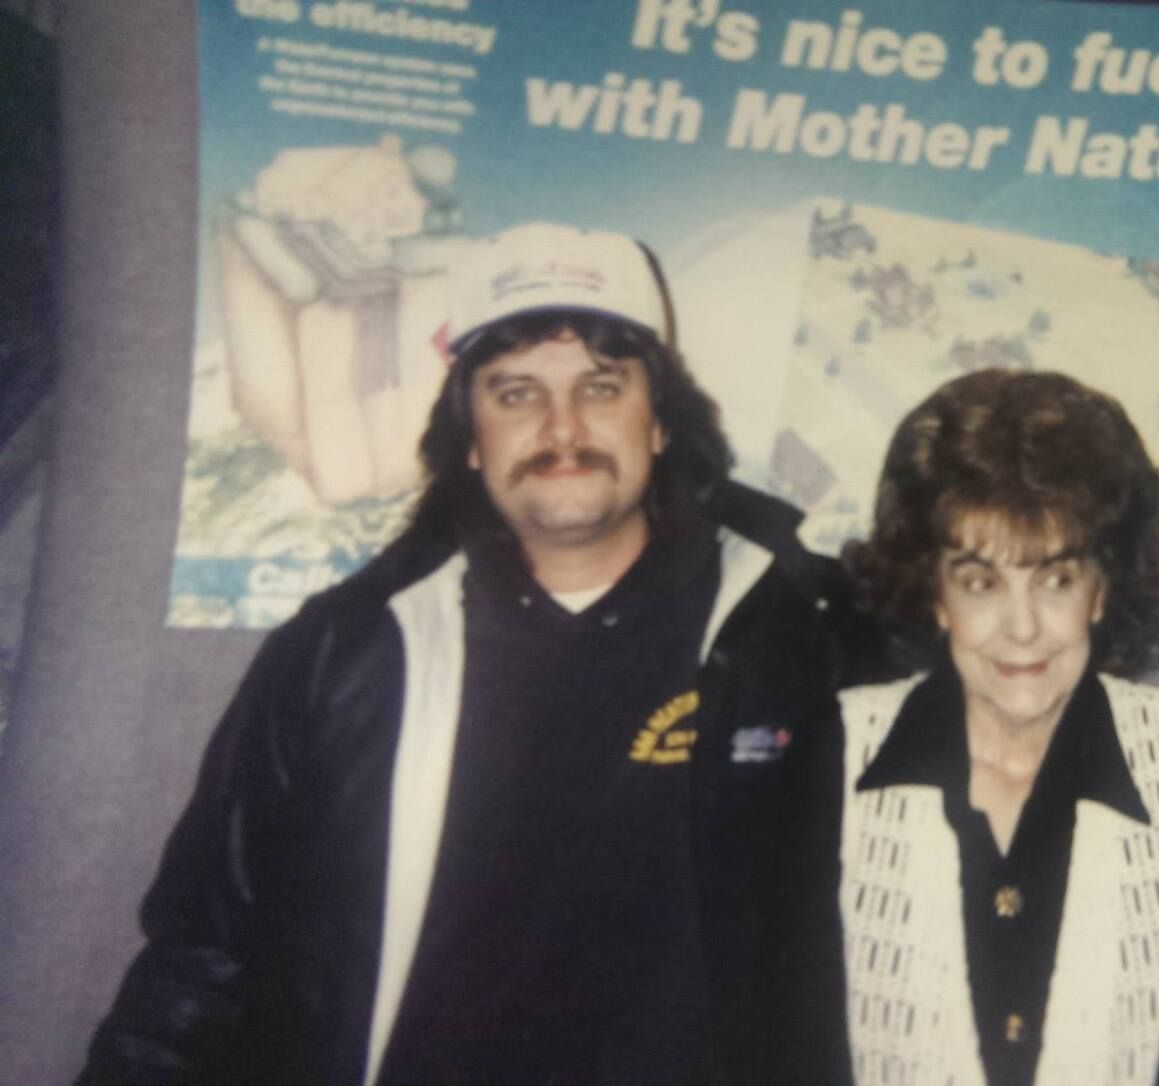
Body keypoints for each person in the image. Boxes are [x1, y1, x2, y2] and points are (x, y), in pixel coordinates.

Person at [78, 222, 871, 1086]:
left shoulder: (790, 641)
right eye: (517, 393)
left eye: (601, 387)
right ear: (468, 435)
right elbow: (205, 955)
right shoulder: (347, 655)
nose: (563, 429)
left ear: (660, 425)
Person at [835, 369, 1159, 1086]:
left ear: (1101, 589)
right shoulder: (832, 758)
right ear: (934, 594)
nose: (1022, 628)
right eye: (980, 583)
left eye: (1056, 579)